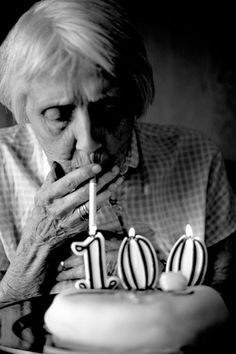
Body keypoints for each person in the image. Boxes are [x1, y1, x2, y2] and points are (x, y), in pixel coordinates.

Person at [0, 0, 235, 349]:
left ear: (135, 99)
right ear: (24, 112)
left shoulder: (196, 157)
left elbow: (226, 301)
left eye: (107, 108)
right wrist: (37, 248)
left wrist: (152, 275)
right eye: (58, 114)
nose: (88, 140)